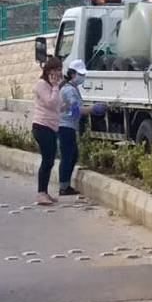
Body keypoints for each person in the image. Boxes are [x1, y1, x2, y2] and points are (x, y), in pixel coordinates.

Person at [58, 59, 105, 196]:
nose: (82, 77)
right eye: (80, 74)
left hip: (69, 126)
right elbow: (75, 111)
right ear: (72, 74)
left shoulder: (71, 88)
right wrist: (93, 109)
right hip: (65, 126)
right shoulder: (69, 91)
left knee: (72, 155)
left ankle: (65, 185)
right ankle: (64, 187)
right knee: (69, 156)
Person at [31, 56, 63, 205]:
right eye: (55, 70)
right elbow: (50, 103)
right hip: (42, 126)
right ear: (48, 71)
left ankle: (44, 191)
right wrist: (56, 86)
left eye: (59, 70)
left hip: (51, 127)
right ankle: (41, 193)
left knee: (50, 160)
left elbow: (57, 106)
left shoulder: (52, 86)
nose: (58, 73)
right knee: (47, 159)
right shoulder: (42, 85)